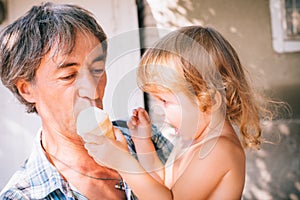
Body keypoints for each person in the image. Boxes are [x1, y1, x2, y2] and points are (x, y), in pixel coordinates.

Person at [0, 2, 172, 199]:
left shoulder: (148, 140)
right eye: (68, 76)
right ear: (26, 89)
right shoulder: (21, 196)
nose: (93, 90)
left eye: (97, 70)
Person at [83, 25, 276, 199]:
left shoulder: (219, 149)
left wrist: (122, 162)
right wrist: (143, 142)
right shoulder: (192, 141)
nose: (159, 111)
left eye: (165, 101)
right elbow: (163, 183)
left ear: (208, 99)